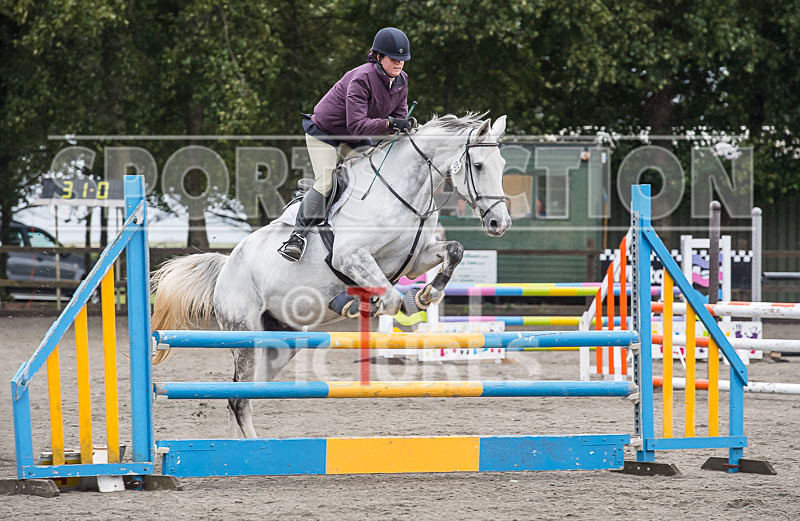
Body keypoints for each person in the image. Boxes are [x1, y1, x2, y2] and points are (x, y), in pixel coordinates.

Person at [278, 27, 412, 262]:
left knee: (376, 174)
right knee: (327, 180)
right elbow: (357, 125)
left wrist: (405, 126)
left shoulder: (401, 81)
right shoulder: (362, 77)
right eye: (394, 59)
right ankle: (297, 236)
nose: (399, 64)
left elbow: (398, 118)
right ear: (379, 57)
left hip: (353, 136)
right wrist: (390, 124)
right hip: (325, 132)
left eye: (403, 60)